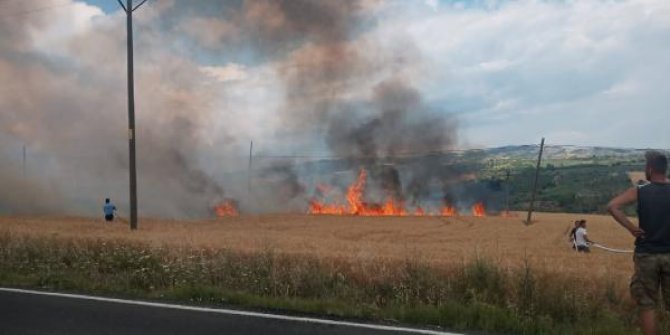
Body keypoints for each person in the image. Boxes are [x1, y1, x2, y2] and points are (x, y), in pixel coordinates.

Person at [608, 150, 670, 335]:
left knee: (647, 305)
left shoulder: (640, 190)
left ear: (649, 169)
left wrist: (631, 228)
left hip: (646, 255)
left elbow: (612, 206)